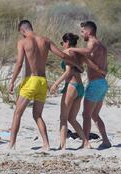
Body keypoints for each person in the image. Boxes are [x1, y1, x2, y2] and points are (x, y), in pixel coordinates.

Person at [8, 20, 83, 150]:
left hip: (31, 81)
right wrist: (77, 64)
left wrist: (12, 81)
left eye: (21, 33)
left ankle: (12, 144)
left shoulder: (23, 42)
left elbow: (19, 63)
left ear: (22, 31)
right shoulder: (46, 40)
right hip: (43, 82)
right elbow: (62, 55)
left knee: (17, 113)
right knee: (37, 115)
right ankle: (46, 144)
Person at [67, 21, 112, 149]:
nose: (81, 35)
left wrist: (71, 48)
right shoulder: (102, 46)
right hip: (102, 82)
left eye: (82, 32)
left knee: (86, 115)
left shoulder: (92, 42)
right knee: (94, 115)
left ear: (89, 31)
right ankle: (106, 140)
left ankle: (85, 142)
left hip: (95, 83)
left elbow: (87, 51)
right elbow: (105, 67)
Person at [50, 33, 89, 150]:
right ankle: (86, 142)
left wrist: (56, 84)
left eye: (63, 43)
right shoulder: (79, 53)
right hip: (80, 87)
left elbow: (68, 72)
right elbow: (85, 66)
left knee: (63, 117)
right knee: (72, 118)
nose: (62, 46)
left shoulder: (67, 53)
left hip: (71, 85)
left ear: (67, 42)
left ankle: (62, 146)